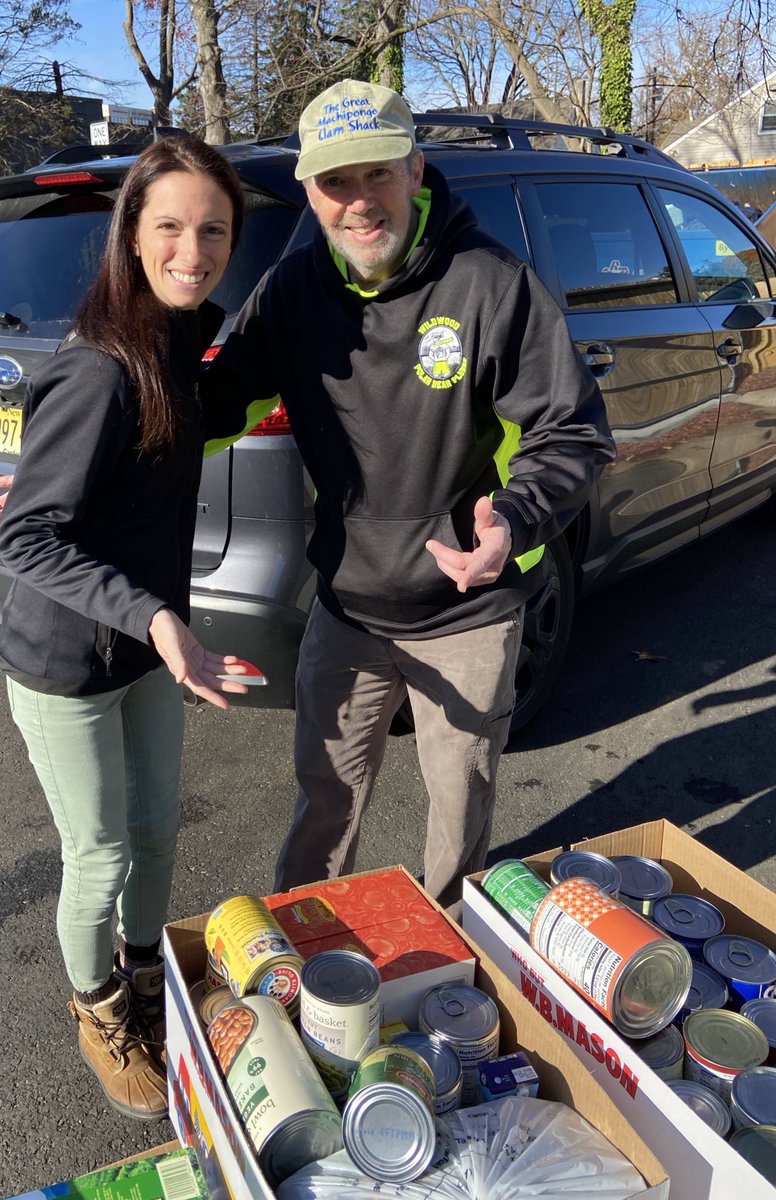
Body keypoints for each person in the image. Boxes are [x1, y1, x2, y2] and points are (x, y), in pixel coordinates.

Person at [206, 79, 616, 914]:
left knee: (459, 804)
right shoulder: (290, 292)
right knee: (324, 797)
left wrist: (512, 519)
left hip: (466, 611)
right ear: (311, 193)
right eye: (334, 183)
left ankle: (454, 948)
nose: (358, 203)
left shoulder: (490, 284)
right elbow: (205, 410)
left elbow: (571, 432)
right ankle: (302, 949)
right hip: (347, 607)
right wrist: (81, 452)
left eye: (377, 175)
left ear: (416, 170)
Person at [0, 136, 257, 1121]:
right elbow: (26, 537)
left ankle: (150, 979)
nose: (191, 251)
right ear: (132, 236)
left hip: (151, 650)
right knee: (99, 853)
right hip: (67, 664)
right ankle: (101, 1012)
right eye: (169, 229)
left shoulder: (178, 348)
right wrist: (155, 618)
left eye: (212, 231)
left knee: (155, 838)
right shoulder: (103, 372)